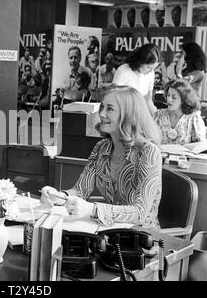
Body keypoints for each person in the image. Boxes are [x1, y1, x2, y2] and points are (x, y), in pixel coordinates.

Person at [41, 86, 162, 228]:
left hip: (142, 237)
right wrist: (59, 197)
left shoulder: (148, 152)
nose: (102, 114)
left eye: (110, 109)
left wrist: (93, 209)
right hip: (109, 229)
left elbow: (140, 213)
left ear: (129, 115)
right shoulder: (101, 147)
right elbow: (80, 191)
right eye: (102, 107)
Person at [154, 80, 206, 148]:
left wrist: (182, 148)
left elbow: (201, 144)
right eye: (168, 95)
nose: (169, 99)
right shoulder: (158, 115)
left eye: (174, 97)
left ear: (183, 99)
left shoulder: (193, 117)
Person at [113, 43, 160, 115]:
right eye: (148, 67)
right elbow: (113, 97)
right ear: (140, 61)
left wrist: (154, 113)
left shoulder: (151, 74)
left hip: (140, 115)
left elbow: (148, 99)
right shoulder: (123, 70)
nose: (151, 71)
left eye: (153, 68)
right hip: (122, 114)